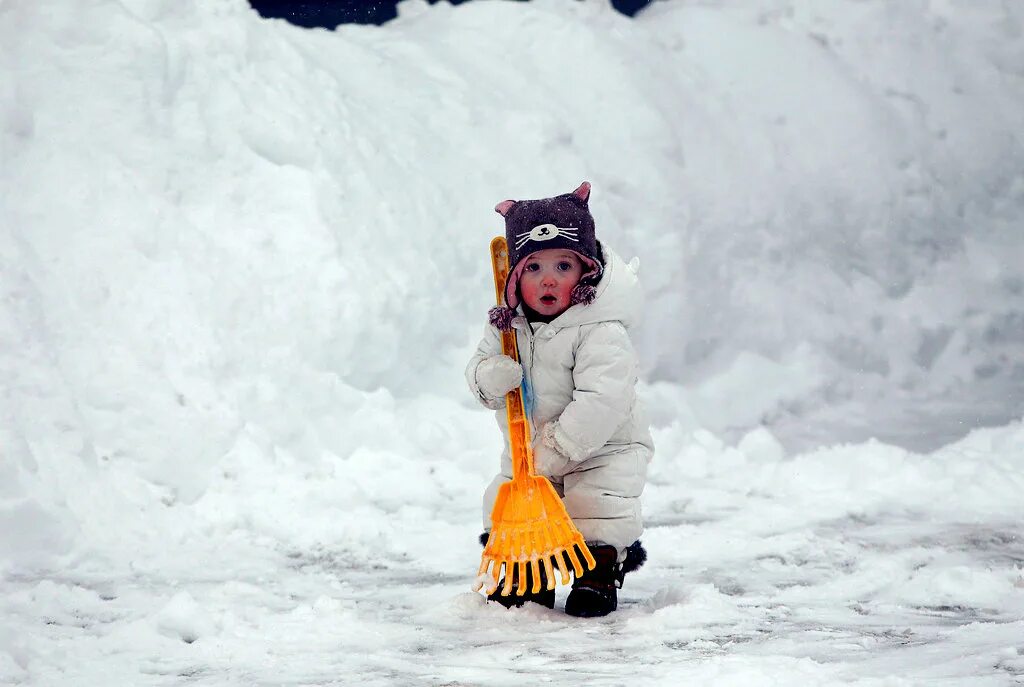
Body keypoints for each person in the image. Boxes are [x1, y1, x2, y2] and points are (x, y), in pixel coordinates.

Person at [466, 181, 653, 617]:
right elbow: (477, 371)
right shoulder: (506, 325)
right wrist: (490, 377)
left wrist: (560, 446)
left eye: (563, 265)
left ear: (586, 272)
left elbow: (603, 400)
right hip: (528, 451)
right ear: (515, 275)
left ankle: (598, 572)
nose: (547, 279)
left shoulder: (600, 329)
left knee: (597, 508)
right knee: (507, 504)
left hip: (601, 449)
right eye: (533, 267)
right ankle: (529, 570)